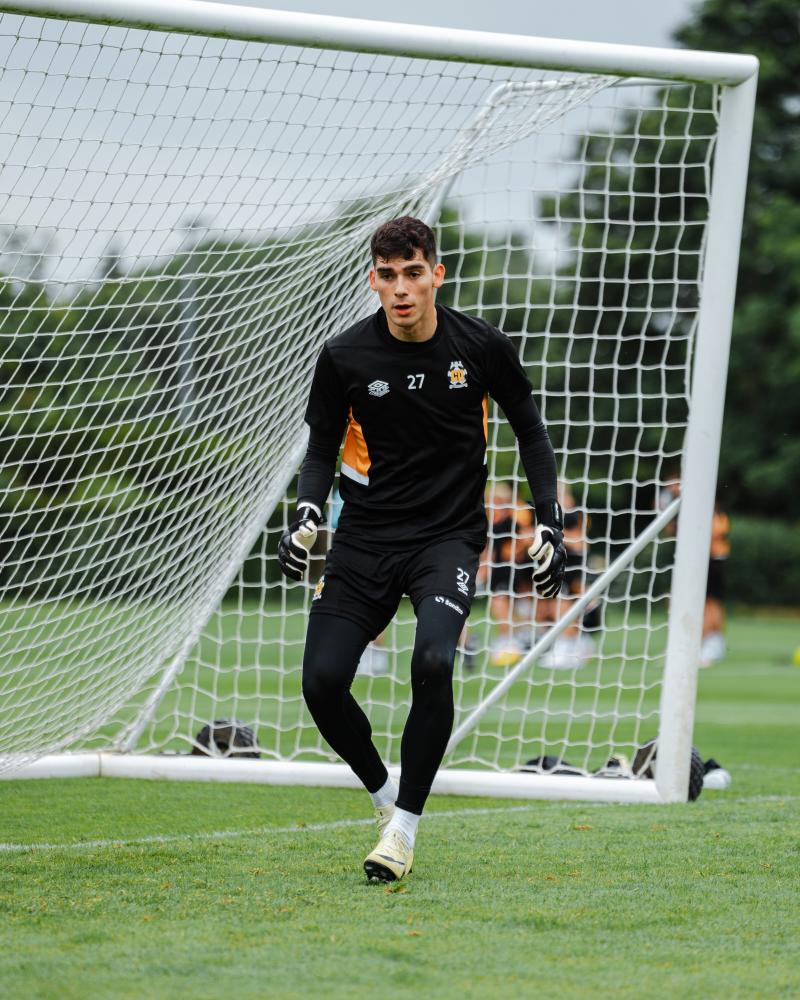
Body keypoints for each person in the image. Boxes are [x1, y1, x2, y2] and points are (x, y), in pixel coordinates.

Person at [277, 216, 565, 883]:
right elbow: (322, 449)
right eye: (387, 275)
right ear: (372, 280)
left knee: (434, 659)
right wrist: (307, 515)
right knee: (321, 683)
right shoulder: (344, 356)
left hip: (448, 538)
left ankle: (404, 830)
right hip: (365, 537)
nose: (401, 289)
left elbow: (531, 432)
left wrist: (547, 522)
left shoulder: (482, 345)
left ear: (437, 273)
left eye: (413, 273)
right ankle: (384, 797)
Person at [659, 477, 730, 667]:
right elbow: (670, 531)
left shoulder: (715, 514)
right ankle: (689, 643)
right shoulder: (684, 512)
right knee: (680, 599)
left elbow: (712, 535)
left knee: (710, 603)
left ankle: (709, 643)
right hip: (689, 561)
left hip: (711, 562)